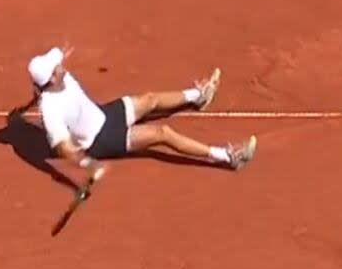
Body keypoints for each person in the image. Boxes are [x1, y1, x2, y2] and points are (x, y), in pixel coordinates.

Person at [27, 45, 257, 182]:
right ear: (51, 79)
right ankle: (228, 157)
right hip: (102, 140)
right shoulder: (50, 110)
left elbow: (43, 77)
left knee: (150, 99)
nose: (61, 66)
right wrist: (88, 164)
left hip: (104, 114)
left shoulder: (55, 80)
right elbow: (62, 148)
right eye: (56, 67)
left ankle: (199, 95)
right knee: (162, 134)